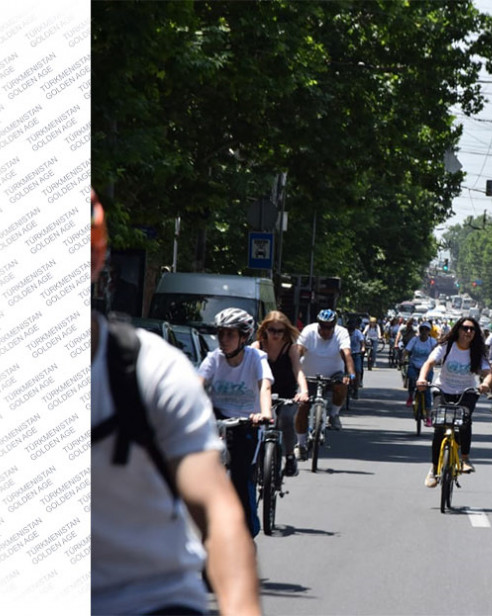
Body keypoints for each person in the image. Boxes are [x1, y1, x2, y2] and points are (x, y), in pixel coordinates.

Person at [91, 192, 260, 615]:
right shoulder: (208, 360)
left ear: (95, 264)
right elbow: (203, 381)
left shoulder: (150, 370)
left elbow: (216, 512)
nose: (223, 341)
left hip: (147, 600)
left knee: (240, 476)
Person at [198, 308, 274, 538]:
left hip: (247, 422)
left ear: (244, 337)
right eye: (221, 334)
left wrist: (264, 413)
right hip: (216, 417)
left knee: (241, 477)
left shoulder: (255, 358)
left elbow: (265, 386)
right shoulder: (214, 359)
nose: (224, 340)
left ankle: (248, 533)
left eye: (230, 334)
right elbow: (196, 384)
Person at [416, 317, 492, 486]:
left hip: (467, 392)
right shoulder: (446, 347)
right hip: (443, 389)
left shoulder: (477, 352)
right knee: (439, 426)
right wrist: (422, 378)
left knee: (464, 419)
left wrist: (486, 383)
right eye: (465, 328)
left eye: (472, 329)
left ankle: (465, 458)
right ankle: (434, 469)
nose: (468, 332)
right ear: (458, 329)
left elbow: (488, 372)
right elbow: (429, 363)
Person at [252, 311, 309, 477]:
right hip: (262, 395)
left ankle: (290, 456)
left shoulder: (290, 348)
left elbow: (298, 371)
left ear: (285, 332)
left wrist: (303, 391)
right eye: (272, 330)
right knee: (257, 423)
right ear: (265, 330)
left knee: (285, 419)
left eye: (279, 331)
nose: (275, 334)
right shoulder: (257, 347)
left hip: (286, 394)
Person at [296, 309, 354, 443]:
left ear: (334, 326)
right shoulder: (308, 331)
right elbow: (298, 351)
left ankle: (334, 414)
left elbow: (346, 354)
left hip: (334, 374)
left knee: (342, 385)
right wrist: (293, 371)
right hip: (308, 375)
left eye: (329, 327)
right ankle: (300, 442)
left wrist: (350, 374)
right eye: (322, 326)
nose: (326, 331)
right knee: (302, 406)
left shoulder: (341, 332)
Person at [404, 322, 439, 414]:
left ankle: (428, 414)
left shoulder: (432, 341)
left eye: (426, 329)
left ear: (429, 331)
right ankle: (411, 396)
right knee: (411, 379)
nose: (424, 331)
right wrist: (402, 359)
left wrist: (438, 360)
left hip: (427, 367)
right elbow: (406, 351)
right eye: (422, 329)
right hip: (414, 365)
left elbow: (438, 353)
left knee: (427, 388)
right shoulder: (414, 340)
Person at [349, 321, 366, 389]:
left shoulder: (358, 333)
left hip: (356, 354)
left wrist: (363, 348)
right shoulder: (344, 333)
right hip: (347, 354)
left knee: (358, 370)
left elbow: (362, 342)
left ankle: (356, 386)